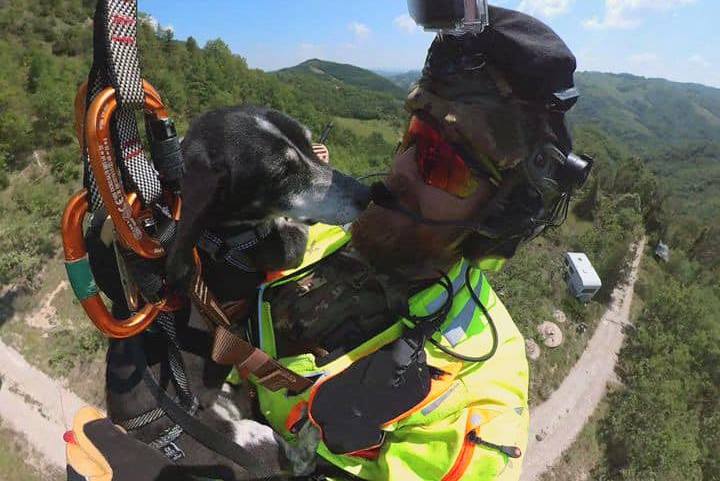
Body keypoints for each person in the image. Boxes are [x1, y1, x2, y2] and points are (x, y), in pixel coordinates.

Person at [67, 5, 590, 481]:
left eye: (442, 164)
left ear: (493, 217)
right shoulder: (324, 236)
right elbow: (217, 300)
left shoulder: (474, 399)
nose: (402, 168)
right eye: (414, 138)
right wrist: (172, 245)